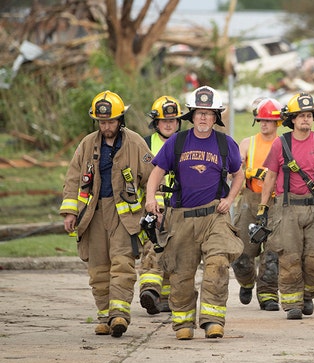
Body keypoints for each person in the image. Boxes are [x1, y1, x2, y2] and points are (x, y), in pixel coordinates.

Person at [144, 85, 244, 340]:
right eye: (199, 112)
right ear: (192, 115)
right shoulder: (177, 142)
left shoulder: (226, 143)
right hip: (182, 217)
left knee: (218, 265)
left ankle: (212, 320)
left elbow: (239, 174)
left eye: (209, 113)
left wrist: (229, 199)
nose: (203, 118)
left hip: (215, 217)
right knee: (181, 273)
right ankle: (183, 323)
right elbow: (156, 172)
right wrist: (149, 199)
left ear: (216, 117)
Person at [60, 90, 154, 337]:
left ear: (120, 120)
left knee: (122, 264)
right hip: (93, 215)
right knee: (98, 268)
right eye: (102, 122)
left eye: (111, 121)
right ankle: (104, 315)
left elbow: (152, 176)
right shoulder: (87, 145)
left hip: (126, 218)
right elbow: (72, 180)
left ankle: (120, 315)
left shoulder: (135, 143)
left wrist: (154, 207)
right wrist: (70, 213)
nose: (106, 126)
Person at [257, 92, 314, 320]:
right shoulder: (280, 144)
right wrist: (263, 208)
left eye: (309, 115)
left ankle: (308, 295)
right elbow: (270, 177)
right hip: (287, 206)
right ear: (292, 119)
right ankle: (292, 304)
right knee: (289, 256)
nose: (305, 119)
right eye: (301, 115)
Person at [231, 97, 282, 311]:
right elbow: (236, 164)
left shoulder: (283, 144)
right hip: (250, 200)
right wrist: (245, 169)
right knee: (240, 254)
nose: (264, 124)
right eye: (261, 120)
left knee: (272, 255)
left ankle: (268, 295)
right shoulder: (248, 143)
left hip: (276, 203)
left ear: (277, 123)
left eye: (268, 121)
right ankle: (246, 282)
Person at [137, 95, 183, 315]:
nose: (168, 124)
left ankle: (165, 298)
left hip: (180, 209)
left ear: (179, 122)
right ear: (156, 122)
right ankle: (150, 291)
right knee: (152, 249)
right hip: (154, 207)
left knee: (176, 253)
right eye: (164, 120)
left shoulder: (186, 142)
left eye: (173, 120)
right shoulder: (145, 145)